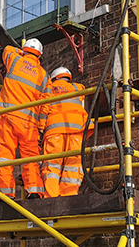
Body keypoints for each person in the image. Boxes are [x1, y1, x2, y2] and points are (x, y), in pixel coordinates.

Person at [0, 38, 49, 200]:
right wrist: (41, 125)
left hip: (8, 115)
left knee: (4, 155)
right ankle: (34, 191)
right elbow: (46, 103)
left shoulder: (15, 59)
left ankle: (6, 194)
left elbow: (7, 48)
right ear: (40, 55)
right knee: (31, 157)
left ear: (24, 49)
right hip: (29, 122)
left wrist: (19, 52)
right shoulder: (44, 76)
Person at [39, 66, 90, 198]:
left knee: (52, 166)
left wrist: (40, 128)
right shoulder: (79, 88)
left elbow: (44, 109)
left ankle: (51, 197)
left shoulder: (49, 88)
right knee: (73, 166)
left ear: (54, 77)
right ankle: (68, 197)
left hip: (54, 131)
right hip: (76, 132)